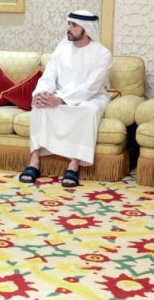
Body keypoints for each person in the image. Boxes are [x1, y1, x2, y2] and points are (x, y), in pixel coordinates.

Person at [19, 10, 113, 187]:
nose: (68, 28)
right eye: (69, 24)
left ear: (86, 29)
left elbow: (91, 87)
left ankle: (74, 164)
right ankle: (34, 161)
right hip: (61, 94)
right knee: (40, 105)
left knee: (87, 111)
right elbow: (48, 77)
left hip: (91, 97)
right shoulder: (61, 50)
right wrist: (42, 94)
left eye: (74, 25)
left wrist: (61, 100)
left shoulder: (102, 54)